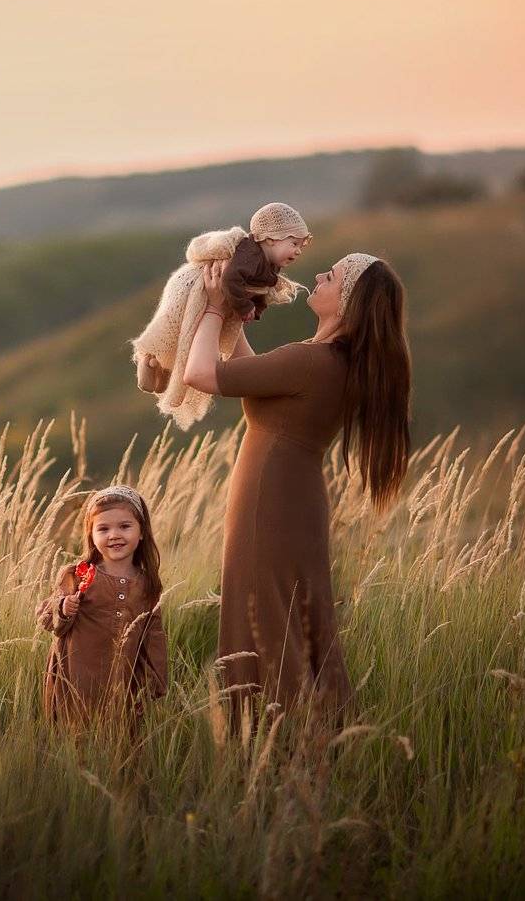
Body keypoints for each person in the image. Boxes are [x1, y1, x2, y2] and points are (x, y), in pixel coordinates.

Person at [181, 252, 411, 731]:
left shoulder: (312, 361)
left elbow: (199, 375)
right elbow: (257, 386)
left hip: (273, 504)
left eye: (337, 275)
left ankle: (275, 747)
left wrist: (211, 308)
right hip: (290, 501)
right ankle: (311, 737)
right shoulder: (331, 362)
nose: (323, 274)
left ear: (347, 302)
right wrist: (231, 316)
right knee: (286, 617)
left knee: (262, 615)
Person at [130, 203, 311, 430]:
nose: (298, 251)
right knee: (175, 328)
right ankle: (152, 359)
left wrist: (248, 309)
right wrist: (240, 309)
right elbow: (231, 282)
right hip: (193, 287)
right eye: (294, 243)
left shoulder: (268, 266)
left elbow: (257, 293)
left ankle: (164, 372)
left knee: (190, 336)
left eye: (302, 245)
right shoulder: (250, 256)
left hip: (213, 294)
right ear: (271, 239)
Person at [35, 485, 169, 727]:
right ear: (91, 535)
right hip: (75, 679)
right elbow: (46, 616)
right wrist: (63, 607)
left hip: (122, 682)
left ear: (141, 532)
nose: (114, 535)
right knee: (76, 736)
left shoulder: (147, 584)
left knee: (117, 738)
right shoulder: (77, 575)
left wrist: (154, 682)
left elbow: (154, 636)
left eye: (125, 526)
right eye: (103, 529)